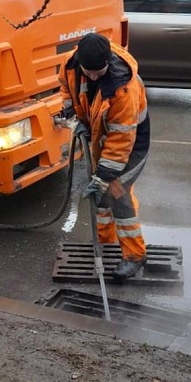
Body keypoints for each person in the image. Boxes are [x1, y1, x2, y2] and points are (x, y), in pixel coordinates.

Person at [58, 32, 150, 282]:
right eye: (89, 73)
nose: (94, 77)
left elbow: (120, 141)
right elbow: (66, 90)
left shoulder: (123, 89)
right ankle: (105, 243)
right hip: (100, 138)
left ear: (108, 61)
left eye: (99, 72)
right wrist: (74, 118)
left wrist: (103, 178)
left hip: (132, 143)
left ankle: (135, 255)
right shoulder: (70, 64)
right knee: (101, 198)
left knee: (117, 193)